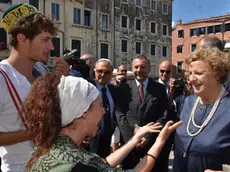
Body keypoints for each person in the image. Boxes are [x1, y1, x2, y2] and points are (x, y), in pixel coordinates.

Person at [22, 73, 182, 172]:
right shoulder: (77, 165)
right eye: (100, 105)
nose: (104, 111)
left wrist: (134, 139)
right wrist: (161, 140)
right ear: (83, 112)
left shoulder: (46, 149)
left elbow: (101, 164)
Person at [0, 3, 69, 172]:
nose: (52, 47)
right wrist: (33, 133)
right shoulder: (2, 77)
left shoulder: (42, 72)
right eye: (45, 40)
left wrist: (63, 81)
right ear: (21, 38)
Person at [173, 48, 230, 172]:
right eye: (190, 73)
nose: (191, 79)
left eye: (198, 73)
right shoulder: (188, 102)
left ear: (217, 74)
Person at [115, 55, 176, 172]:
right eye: (136, 67)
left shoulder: (159, 89)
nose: (139, 70)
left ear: (148, 68)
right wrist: (133, 139)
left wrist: (148, 138)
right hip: (129, 145)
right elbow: (120, 114)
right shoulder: (123, 88)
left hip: (152, 143)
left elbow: (162, 115)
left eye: (142, 67)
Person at [89, 59, 117, 158]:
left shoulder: (113, 90)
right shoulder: (87, 88)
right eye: (100, 71)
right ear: (94, 71)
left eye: (107, 72)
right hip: (89, 138)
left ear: (111, 74)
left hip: (107, 138)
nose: (103, 74)